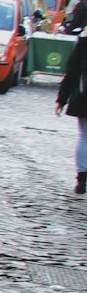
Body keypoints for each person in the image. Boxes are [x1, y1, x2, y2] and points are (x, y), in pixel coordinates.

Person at [58, 36, 87, 193]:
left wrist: (62, 99)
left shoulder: (85, 39)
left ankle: (81, 179)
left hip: (84, 97)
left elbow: (73, 69)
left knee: (84, 136)